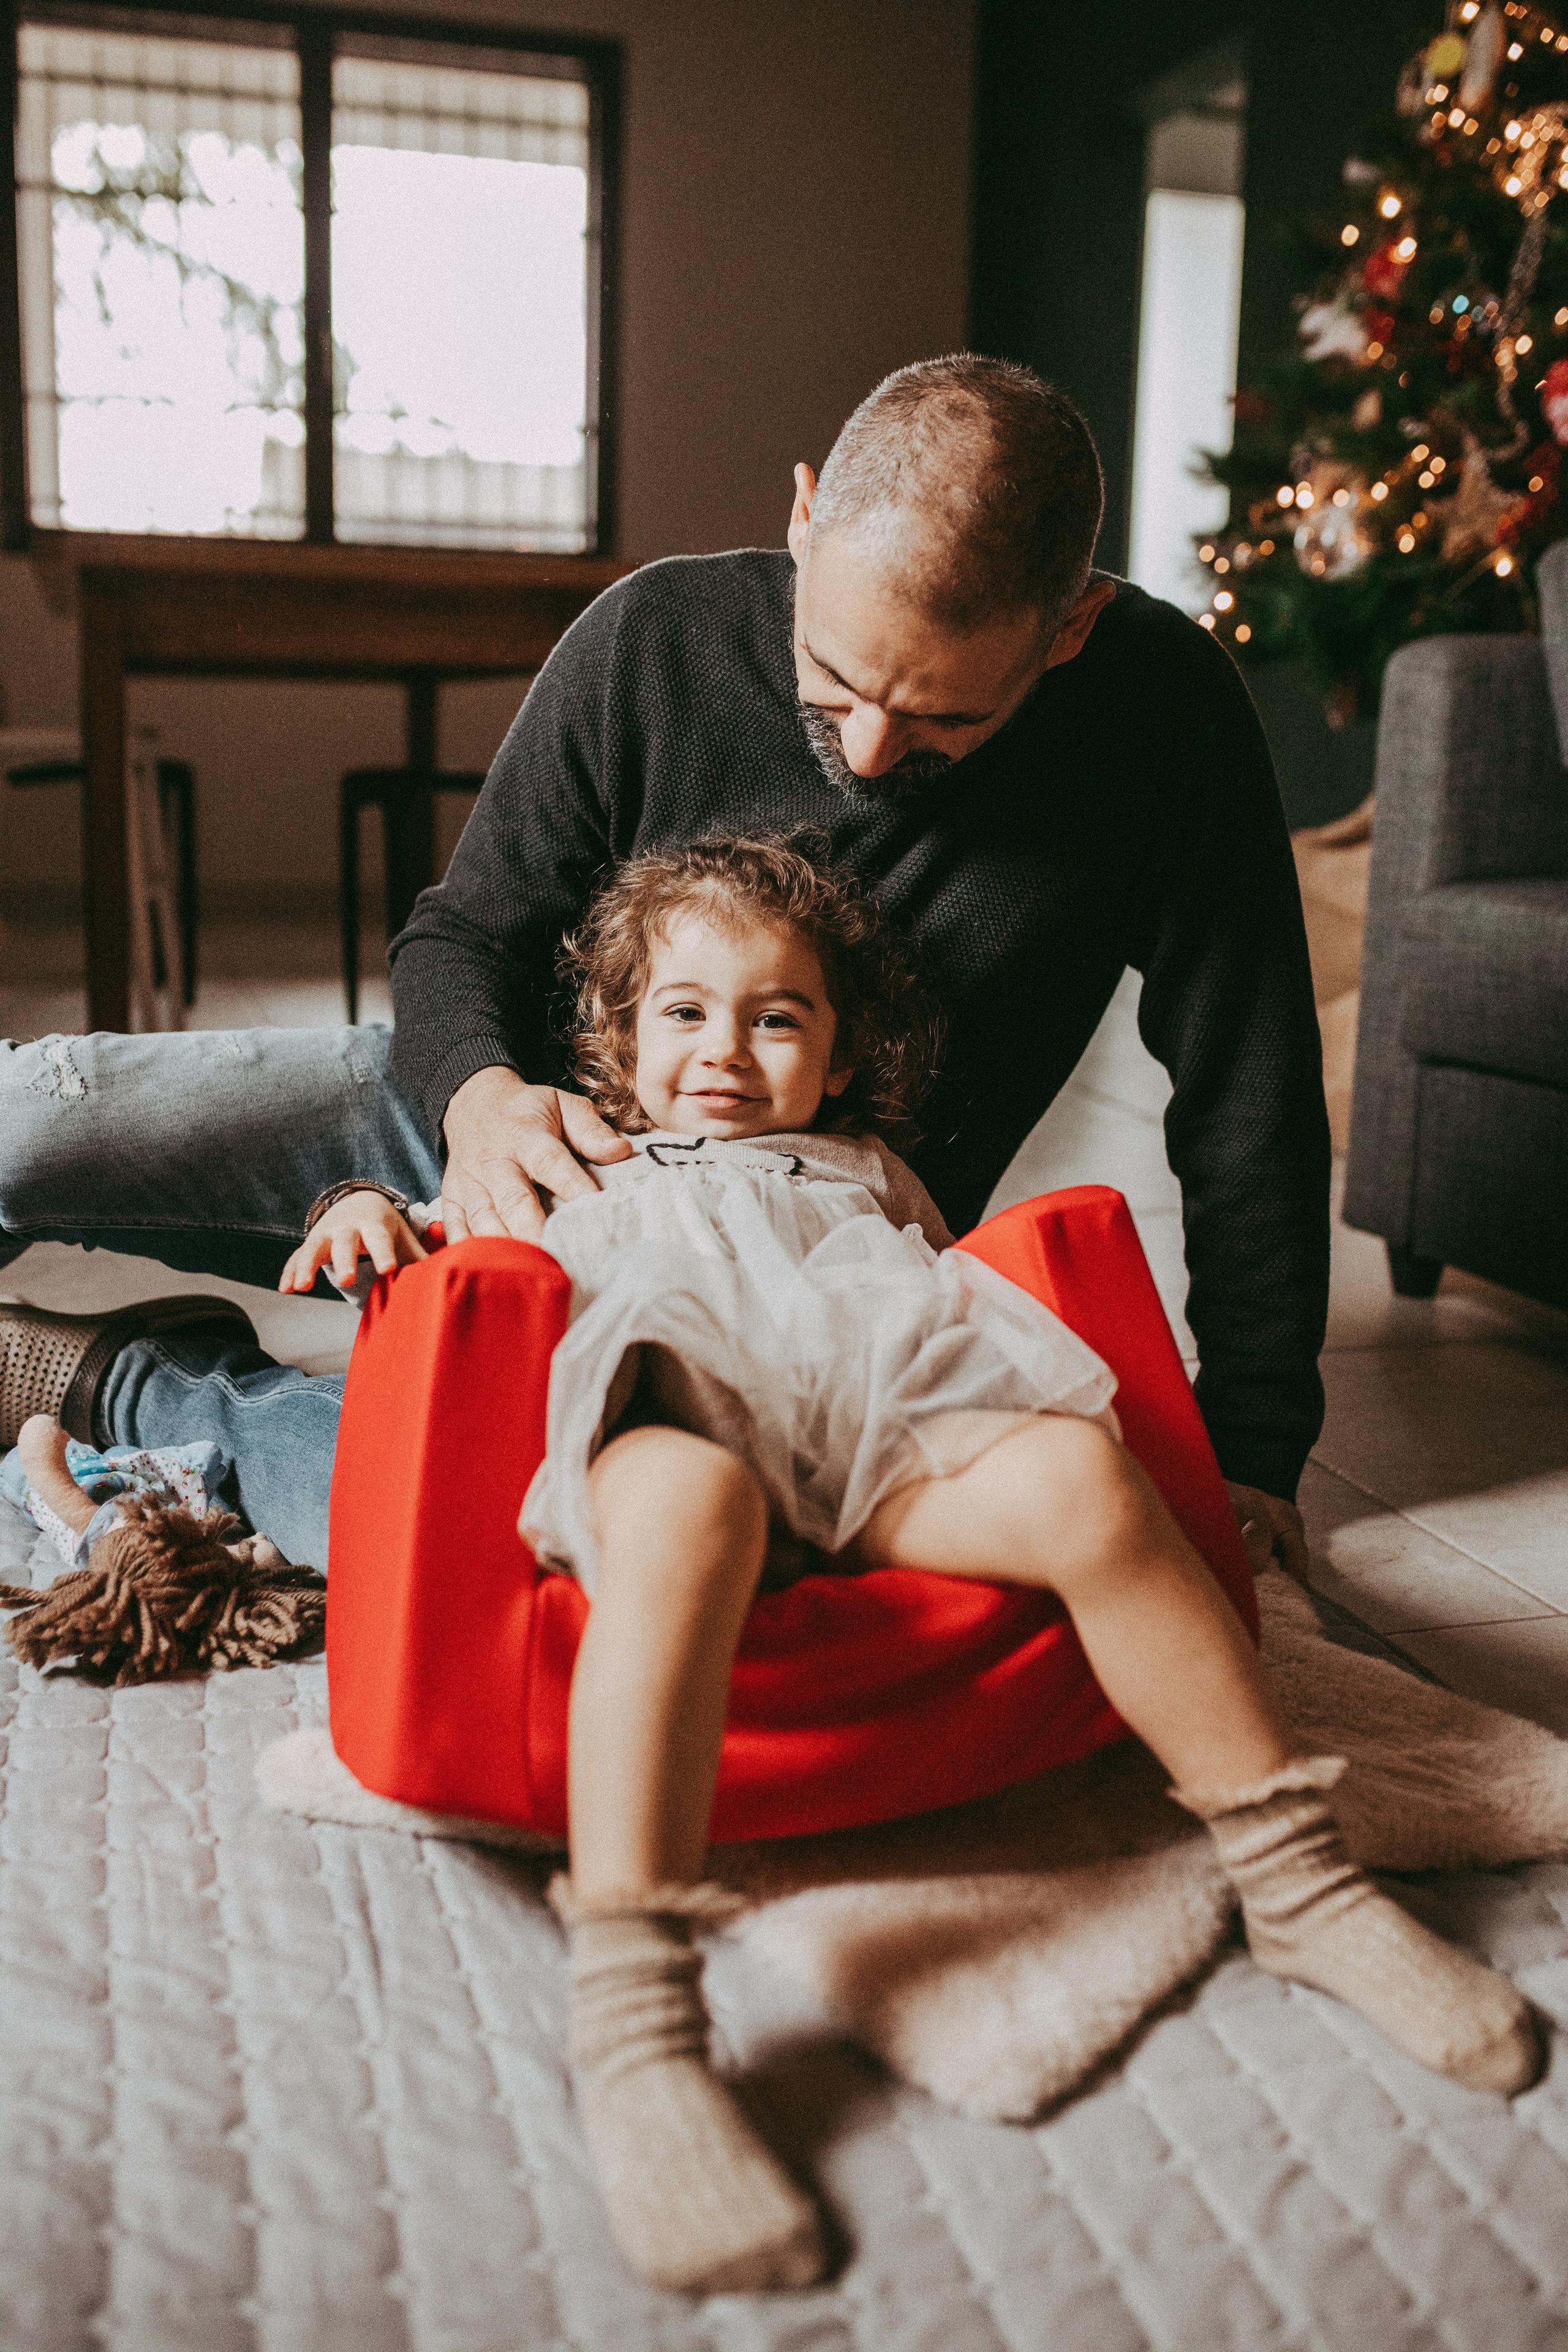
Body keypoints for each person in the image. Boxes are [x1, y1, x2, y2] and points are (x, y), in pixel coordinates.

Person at [1, 835, 1541, 2294]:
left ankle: (1292, 1873)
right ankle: (637, 2016)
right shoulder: (580, 1152)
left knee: (1080, 1473)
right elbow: (424, 1222)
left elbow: (947, 1291)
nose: (724, 1051)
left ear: (839, 1049)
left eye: (775, 1017)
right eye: (683, 1012)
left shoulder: (868, 1164)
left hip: (876, 1438)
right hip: (660, 1416)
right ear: (617, 1035)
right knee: (688, 1515)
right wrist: (354, 1215)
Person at [0, 353, 1328, 1577]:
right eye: (833, 676)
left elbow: (1248, 1086)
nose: (868, 750)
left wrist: (1252, 1448)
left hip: (778, 1259)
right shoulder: (656, 635)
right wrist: (479, 1103)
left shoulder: (1165, 722)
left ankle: (119, 1383)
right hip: (497, 1110)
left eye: (939, 718)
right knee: (18, 1132)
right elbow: (464, 933)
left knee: (480, 1529)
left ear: (1069, 629)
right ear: (805, 517)